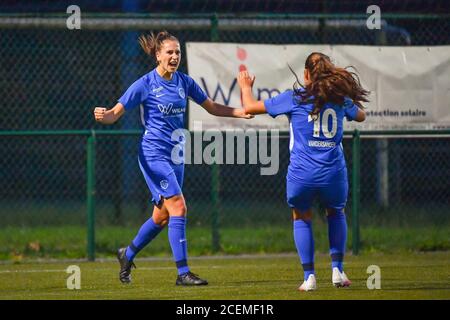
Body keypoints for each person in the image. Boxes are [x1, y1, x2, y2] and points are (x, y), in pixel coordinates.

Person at [94, 31, 252, 286]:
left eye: (178, 52)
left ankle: (127, 254)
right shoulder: (145, 84)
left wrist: (240, 112)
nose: (175, 56)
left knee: (162, 216)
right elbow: (115, 113)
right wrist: (104, 115)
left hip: (176, 156)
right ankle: (183, 273)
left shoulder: (184, 82)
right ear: (158, 55)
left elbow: (211, 106)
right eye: (169, 52)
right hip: (153, 154)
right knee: (179, 206)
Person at [237, 52, 368, 291]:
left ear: (306, 74)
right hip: (333, 173)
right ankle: (337, 270)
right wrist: (343, 95)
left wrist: (245, 86)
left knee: (301, 217)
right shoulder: (339, 99)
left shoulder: (294, 97)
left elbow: (249, 107)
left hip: (302, 174)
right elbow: (361, 115)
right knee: (336, 212)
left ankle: (309, 278)